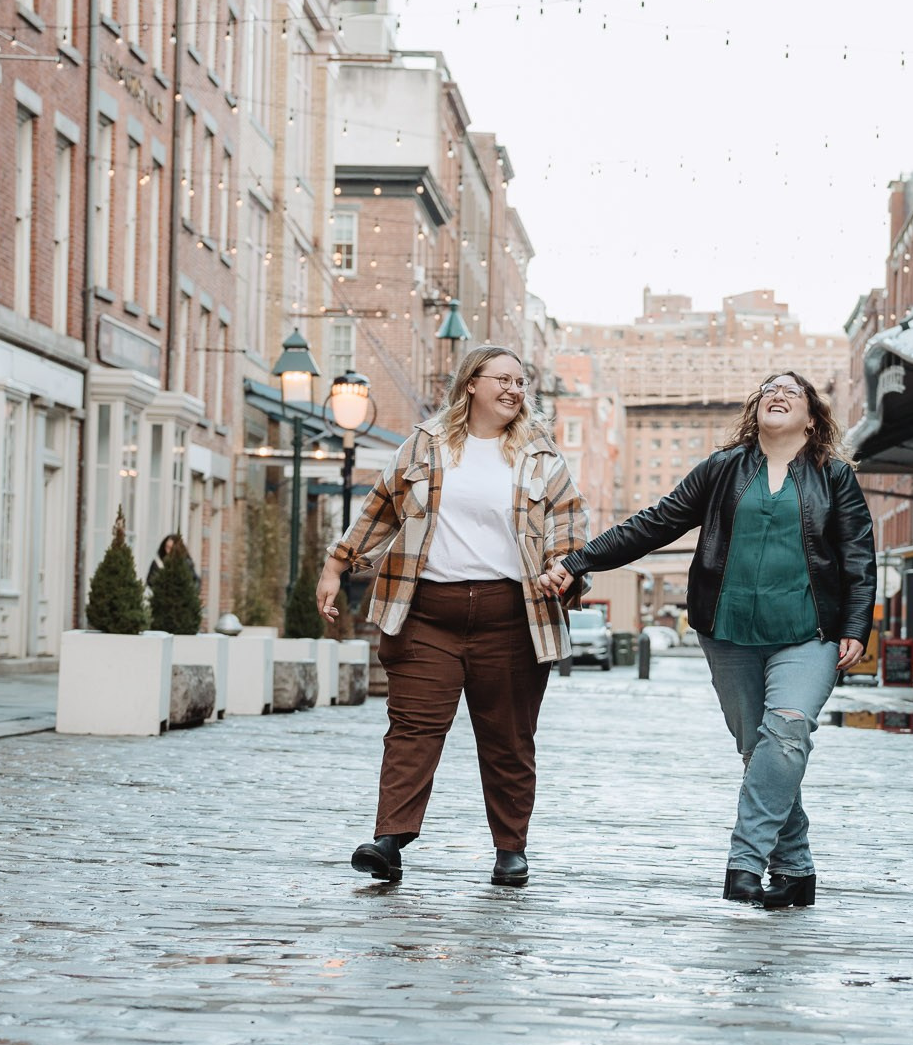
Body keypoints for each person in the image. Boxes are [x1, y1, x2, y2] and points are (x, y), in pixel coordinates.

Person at [542, 372, 875, 909]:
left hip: (809, 633)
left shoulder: (833, 476)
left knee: (786, 735)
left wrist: (856, 627)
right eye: (769, 387)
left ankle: (744, 863)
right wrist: (578, 562)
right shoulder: (722, 471)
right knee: (760, 750)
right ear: (755, 408)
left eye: (793, 390)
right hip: (729, 632)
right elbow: (656, 523)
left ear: (812, 417)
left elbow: (859, 557)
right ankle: (795, 870)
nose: (779, 393)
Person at [318, 345, 588, 888]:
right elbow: (380, 506)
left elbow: (569, 529)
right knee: (412, 729)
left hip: (512, 617)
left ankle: (510, 849)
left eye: (522, 382)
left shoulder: (540, 454)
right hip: (426, 615)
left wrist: (567, 572)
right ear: (471, 383)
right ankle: (389, 842)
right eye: (504, 380)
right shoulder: (426, 443)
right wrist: (337, 565)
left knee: (509, 738)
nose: (515, 390)